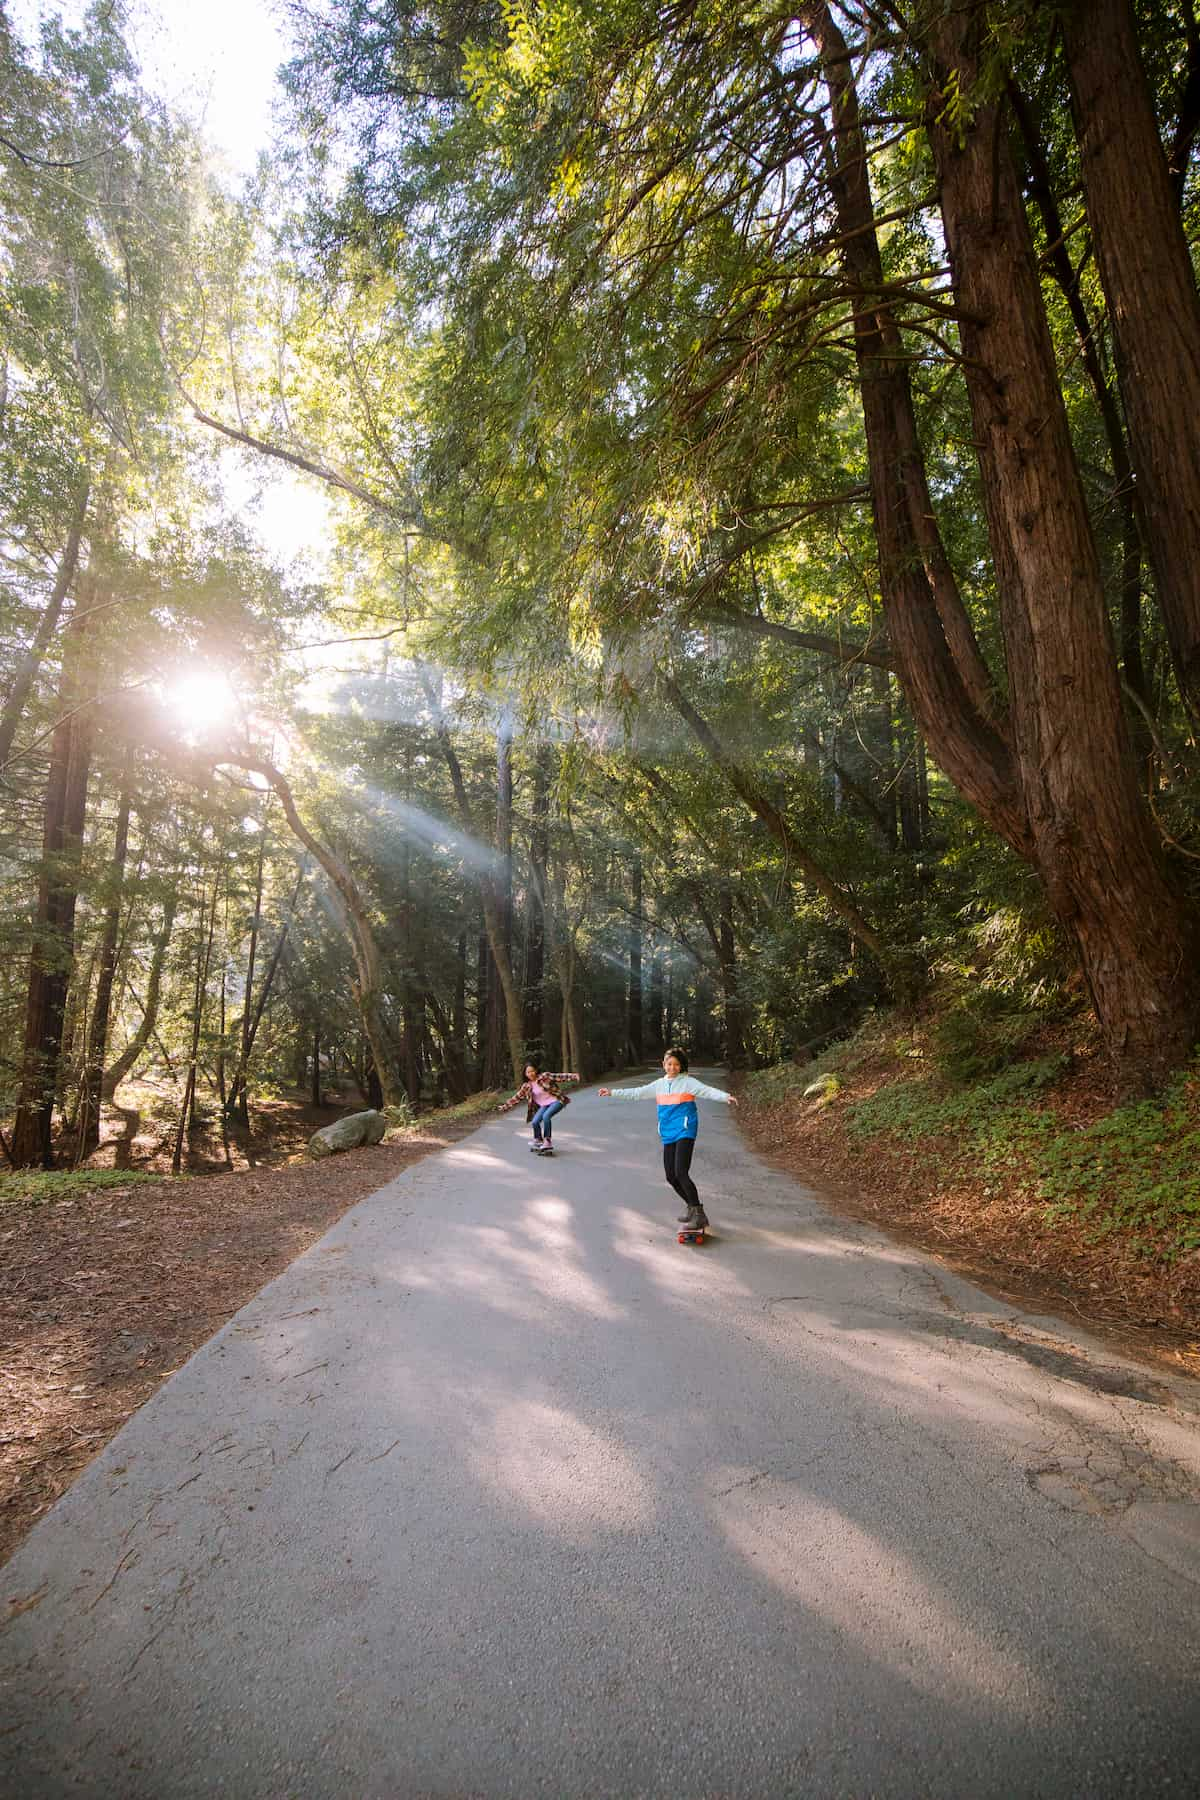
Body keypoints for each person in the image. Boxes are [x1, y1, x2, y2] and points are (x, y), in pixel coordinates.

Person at [599, 1047, 738, 1231]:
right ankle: (692, 1207)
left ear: (681, 1066)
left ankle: (698, 1214)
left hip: (685, 1128)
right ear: (664, 1065)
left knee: (681, 1172)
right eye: (669, 1064)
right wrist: (612, 1092)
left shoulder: (688, 1082)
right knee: (671, 1176)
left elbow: (707, 1091)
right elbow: (636, 1093)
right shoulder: (658, 1085)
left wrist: (725, 1097)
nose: (672, 1067)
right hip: (667, 1131)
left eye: (676, 1064)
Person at [498, 1062, 581, 1153]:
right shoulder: (527, 1086)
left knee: (546, 1116)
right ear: (525, 1074)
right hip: (544, 1105)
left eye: (532, 1071)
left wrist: (573, 1076)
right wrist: (505, 1106)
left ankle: (547, 1141)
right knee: (535, 1121)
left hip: (556, 1101)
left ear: (536, 1071)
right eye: (528, 1072)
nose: (531, 1073)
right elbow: (517, 1097)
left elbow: (559, 1076)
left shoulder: (544, 1077)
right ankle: (538, 1139)